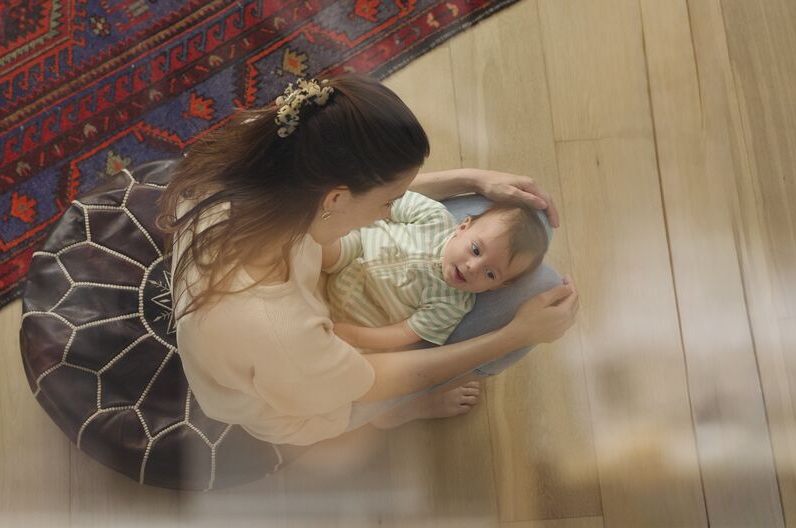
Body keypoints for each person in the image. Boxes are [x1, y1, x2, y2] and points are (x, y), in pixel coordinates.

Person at [159, 74, 579, 447]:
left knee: (492, 215)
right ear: (336, 198)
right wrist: (517, 334)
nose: (387, 211)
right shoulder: (277, 331)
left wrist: (474, 178)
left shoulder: (272, 149)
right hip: (301, 399)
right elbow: (369, 378)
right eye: (387, 201)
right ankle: (389, 416)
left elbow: (392, 200)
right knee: (536, 285)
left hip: (301, 329)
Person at [324, 190, 550, 351]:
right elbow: (385, 203)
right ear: (463, 226)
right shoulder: (434, 217)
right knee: (326, 247)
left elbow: (404, 333)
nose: (473, 268)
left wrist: (355, 335)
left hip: (364, 313)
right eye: (475, 249)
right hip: (358, 247)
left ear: (498, 286)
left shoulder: (452, 305)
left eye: (490, 274)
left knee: (344, 363)